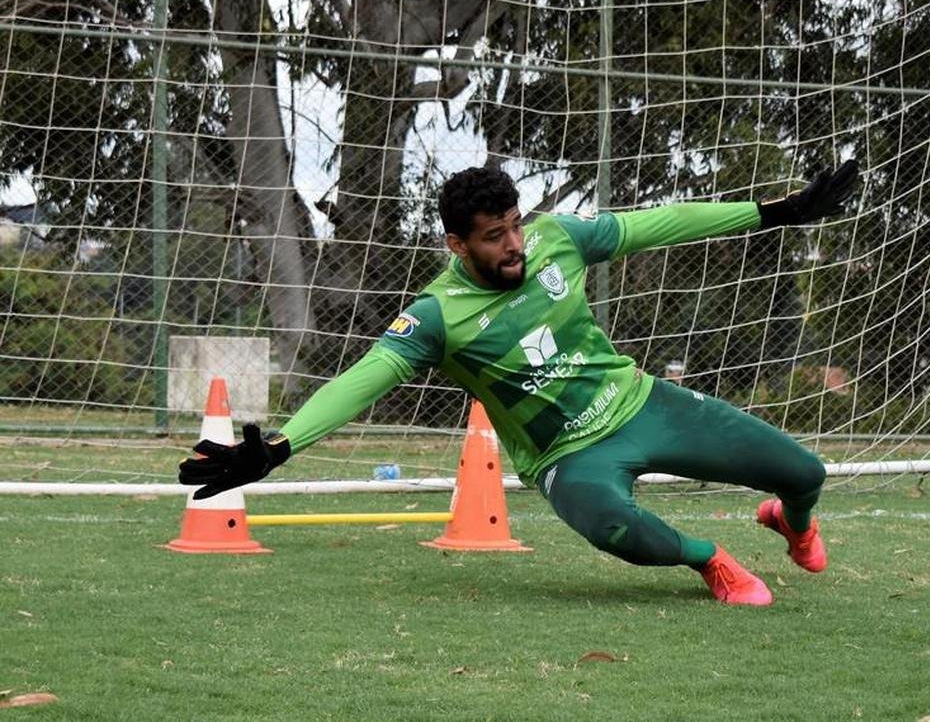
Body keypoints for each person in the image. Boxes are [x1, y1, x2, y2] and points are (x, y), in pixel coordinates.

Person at [179, 162, 858, 606]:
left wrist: (775, 212)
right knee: (612, 524)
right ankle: (710, 561)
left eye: (514, 227)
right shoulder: (437, 316)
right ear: (457, 245)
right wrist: (282, 445)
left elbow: (662, 223)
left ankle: (789, 522)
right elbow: (364, 378)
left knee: (805, 472)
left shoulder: (557, 238)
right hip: (567, 455)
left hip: (638, 403)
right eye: (493, 236)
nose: (513, 245)